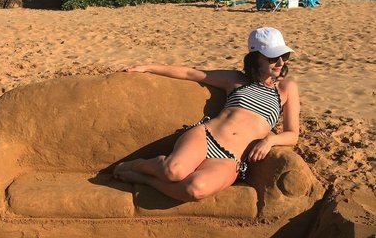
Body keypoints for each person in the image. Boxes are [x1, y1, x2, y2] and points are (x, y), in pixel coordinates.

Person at [113, 27, 300, 202]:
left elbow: (293, 134)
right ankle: (136, 165)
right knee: (173, 172)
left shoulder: (286, 88)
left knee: (195, 190)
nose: (281, 62)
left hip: (231, 157)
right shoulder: (235, 79)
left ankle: (144, 179)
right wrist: (147, 67)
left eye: (284, 56)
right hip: (207, 136)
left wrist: (270, 140)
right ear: (255, 57)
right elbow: (190, 73)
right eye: (273, 57)